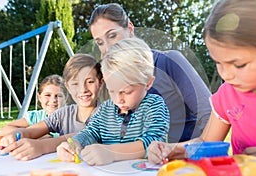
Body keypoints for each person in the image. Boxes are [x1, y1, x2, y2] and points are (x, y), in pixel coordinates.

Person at [148, 0, 256, 176]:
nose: (225, 75)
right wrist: (174, 150)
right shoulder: (227, 95)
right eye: (218, 63)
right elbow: (206, 142)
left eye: (239, 64)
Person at [87, 3, 211, 143]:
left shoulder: (168, 61)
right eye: (100, 42)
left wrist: (190, 151)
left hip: (179, 158)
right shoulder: (110, 78)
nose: (108, 48)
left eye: (112, 35)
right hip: (137, 161)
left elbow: (209, 115)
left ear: (130, 28)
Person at [57, 38, 170, 166]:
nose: (118, 99)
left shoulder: (154, 105)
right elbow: (90, 132)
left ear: (148, 83)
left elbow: (152, 143)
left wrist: (111, 152)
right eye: (112, 91)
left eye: (126, 92)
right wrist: (73, 144)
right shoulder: (105, 109)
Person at [0, 54, 104, 160]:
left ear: (100, 83)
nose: (83, 89)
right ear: (68, 87)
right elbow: (31, 131)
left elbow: (84, 135)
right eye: (75, 83)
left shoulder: (107, 113)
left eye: (90, 82)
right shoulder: (63, 113)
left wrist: (41, 146)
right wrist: (16, 134)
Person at [0, 74, 67, 136]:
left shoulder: (72, 118)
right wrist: (30, 134)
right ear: (40, 97)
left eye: (58, 96)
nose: (53, 100)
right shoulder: (35, 117)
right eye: (47, 95)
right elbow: (4, 130)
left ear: (66, 98)